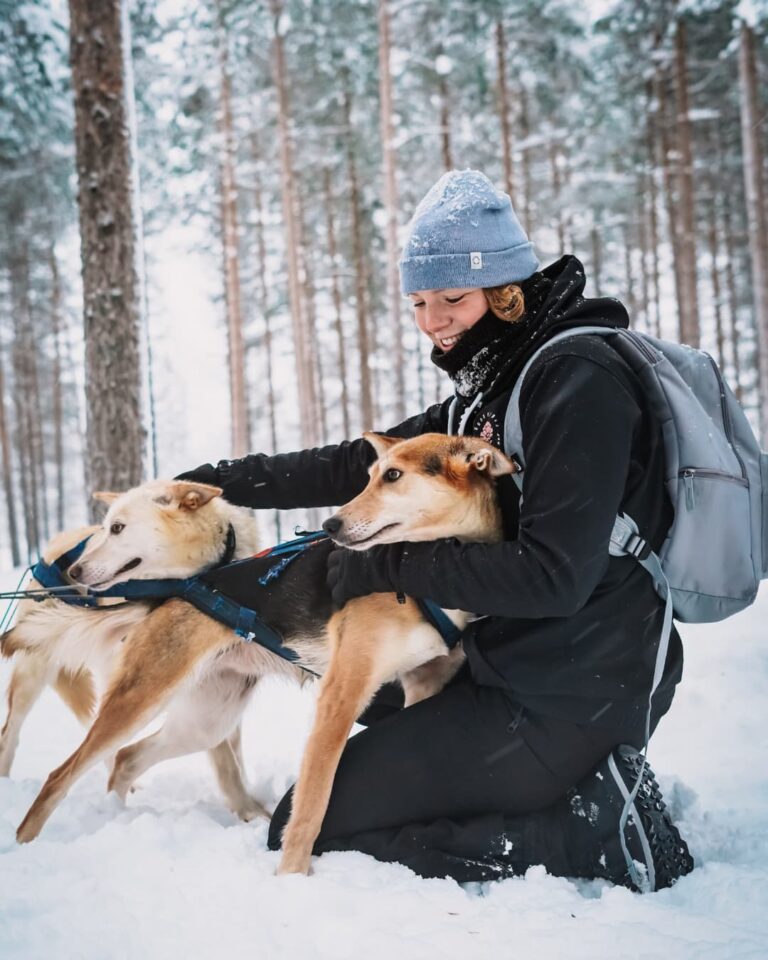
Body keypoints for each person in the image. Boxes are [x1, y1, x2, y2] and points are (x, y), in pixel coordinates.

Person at [178, 170, 693, 891]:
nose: (432, 320)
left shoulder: (578, 381)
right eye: (419, 301)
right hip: (508, 663)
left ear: (507, 289)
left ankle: (593, 832)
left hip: (576, 690)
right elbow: (355, 463)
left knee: (309, 817)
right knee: (366, 683)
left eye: (452, 297)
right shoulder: (496, 380)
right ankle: (510, 778)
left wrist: (389, 566)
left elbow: (556, 575)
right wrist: (211, 482)